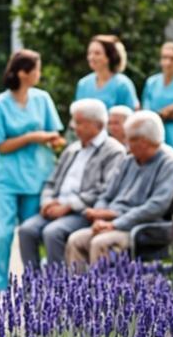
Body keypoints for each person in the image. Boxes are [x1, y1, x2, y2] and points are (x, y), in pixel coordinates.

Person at [66, 111, 173, 267]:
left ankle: (105, 291)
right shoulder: (129, 160)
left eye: (130, 139)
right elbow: (107, 194)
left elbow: (156, 206)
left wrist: (115, 224)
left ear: (144, 141)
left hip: (143, 228)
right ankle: (79, 290)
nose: (126, 144)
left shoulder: (170, 164)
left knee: (100, 243)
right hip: (114, 222)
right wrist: (99, 216)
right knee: (76, 240)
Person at [0, 49, 65, 290]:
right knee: (2, 235)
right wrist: (31, 137)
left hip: (37, 178)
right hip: (6, 180)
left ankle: (33, 285)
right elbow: (1, 145)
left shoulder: (42, 99)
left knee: (31, 234)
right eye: (37, 69)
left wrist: (54, 141)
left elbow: (56, 133)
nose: (39, 74)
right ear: (23, 73)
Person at [17, 99, 126, 267]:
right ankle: (34, 287)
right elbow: (51, 181)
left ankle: (60, 288)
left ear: (97, 124)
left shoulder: (113, 151)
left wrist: (68, 206)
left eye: (79, 122)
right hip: (56, 207)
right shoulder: (72, 149)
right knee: (26, 230)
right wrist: (47, 202)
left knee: (53, 233)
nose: (73, 126)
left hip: (82, 212)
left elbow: (105, 189)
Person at [75, 34, 139, 111]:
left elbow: (131, 114)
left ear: (109, 57)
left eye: (97, 53)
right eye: (89, 53)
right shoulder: (83, 84)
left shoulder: (123, 85)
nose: (91, 57)